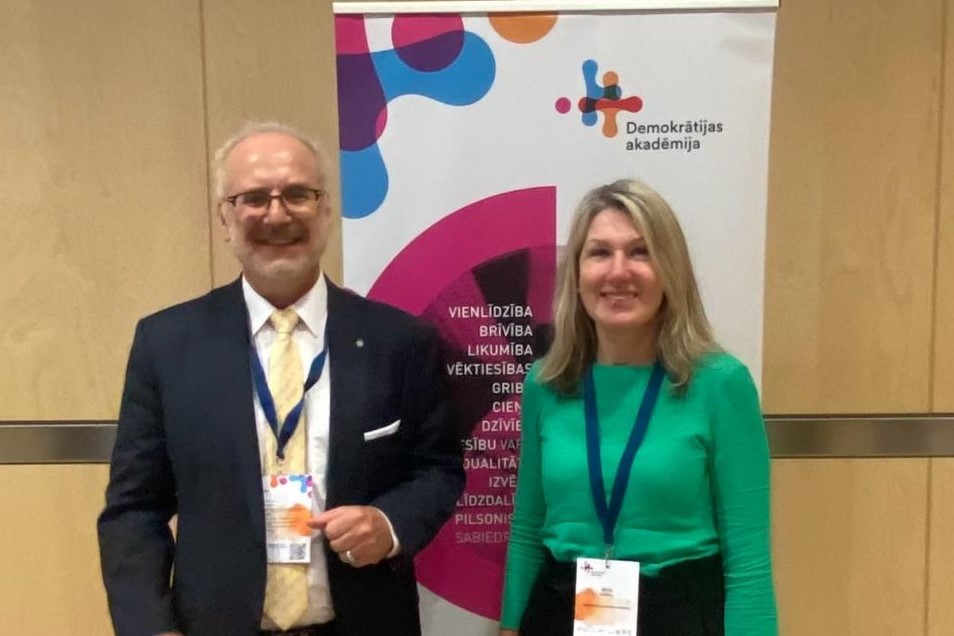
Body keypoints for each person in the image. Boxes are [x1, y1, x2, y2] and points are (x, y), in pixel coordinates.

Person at [98, 121, 464, 636]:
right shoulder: (167, 344)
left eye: (297, 194)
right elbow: (134, 509)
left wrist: (389, 524)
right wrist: (150, 627)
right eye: (253, 198)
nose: (277, 214)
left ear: (326, 209)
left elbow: (438, 469)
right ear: (225, 217)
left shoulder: (400, 342)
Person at [499, 180, 777, 635]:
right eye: (599, 253)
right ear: (577, 273)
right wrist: (510, 627)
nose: (618, 271)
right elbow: (528, 529)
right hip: (558, 610)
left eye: (640, 252)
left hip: (680, 613)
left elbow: (748, 559)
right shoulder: (546, 383)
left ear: (670, 270)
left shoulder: (719, 383)